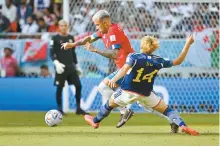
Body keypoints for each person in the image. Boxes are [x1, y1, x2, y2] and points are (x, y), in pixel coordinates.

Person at [61, 10, 175, 131]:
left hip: (130, 68)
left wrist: (95, 50)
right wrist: (73, 44)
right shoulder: (104, 30)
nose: (96, 27)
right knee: (145, 103)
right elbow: (89, 38)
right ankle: (172, 120)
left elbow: (114, 54)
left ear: (105, 22)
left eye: (97, 24)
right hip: (129, 69)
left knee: (103, 87)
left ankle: (125, 111)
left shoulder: (113, 32)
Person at [84, 34, 200, 136]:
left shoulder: (134, 57)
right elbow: (178, 61)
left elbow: (124, 69)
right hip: (147, 94)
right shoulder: (159, 60)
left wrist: (113, 80)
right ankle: (182, 125)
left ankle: (95, 121)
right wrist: (187, 44)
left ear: (142, 45)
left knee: (109, 104)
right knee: (168, 110)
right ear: (154, 47)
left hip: (127, 92)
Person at [50, 19, 87, 115]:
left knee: (78, 85)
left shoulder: (71, 38)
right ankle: (59, 109)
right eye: (61, 25)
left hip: (71, 67)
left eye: (65, 25)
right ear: (59, 27)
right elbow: (51, 53)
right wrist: (56, 63)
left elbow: (73, 52)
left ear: (68, 26)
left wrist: (77, 65)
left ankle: (78, 108)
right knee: (60, 87)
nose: (63, 27)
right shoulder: (54, 38)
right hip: (61, 67)